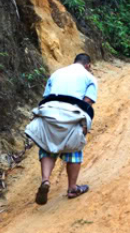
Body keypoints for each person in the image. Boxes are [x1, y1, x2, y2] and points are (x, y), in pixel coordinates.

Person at [24, 53, 97, 204]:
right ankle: (72, 188)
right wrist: (82, 127)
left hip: (49, 112)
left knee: (48, 147)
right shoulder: (89, 78)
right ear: (88, 65)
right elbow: (87, 102)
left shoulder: (57, 73)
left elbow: (46, 96)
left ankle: (45, 180)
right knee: (74, 150)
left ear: (74, 62)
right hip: (71, 114)